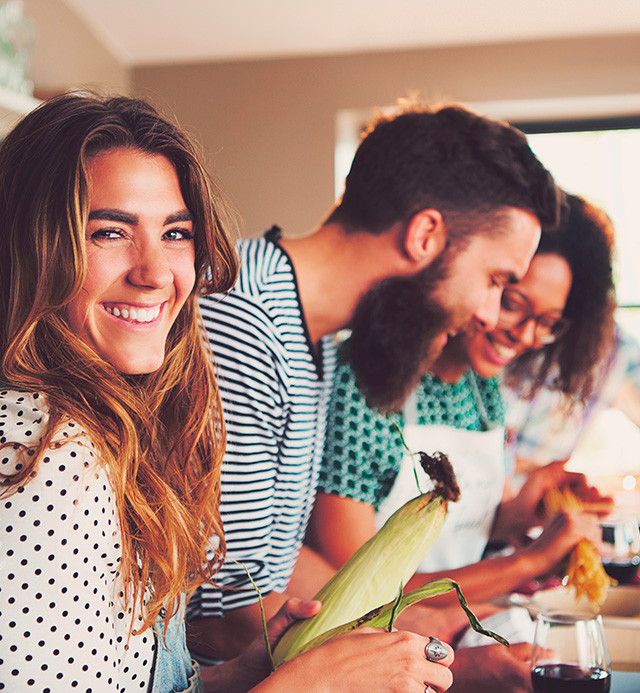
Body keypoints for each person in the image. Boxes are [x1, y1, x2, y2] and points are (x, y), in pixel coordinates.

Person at [0, 92, 455, 693]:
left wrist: (241, 678)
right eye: (109, 232)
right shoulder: (44, 455)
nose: (157, 272)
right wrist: (309, 685)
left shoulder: (108, 431)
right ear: (30, 244)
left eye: (176, 233)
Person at [187, 101, 564, 662]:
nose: (488, 313)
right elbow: (222, 611)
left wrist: (432, 622)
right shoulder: (243, 321)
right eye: (494, 280)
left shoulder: (314, 337)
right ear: (425, 234)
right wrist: (444, 657)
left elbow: (277, 560)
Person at [309, 194, 615, 691]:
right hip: (375, 654)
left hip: (450, 633)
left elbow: (459, 527)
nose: (525, 334)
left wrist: (528, 512)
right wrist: (529, 562)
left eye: (548, 322)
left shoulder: (483, 388)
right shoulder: (367, 383)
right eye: (512, 301)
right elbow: (356, 590)